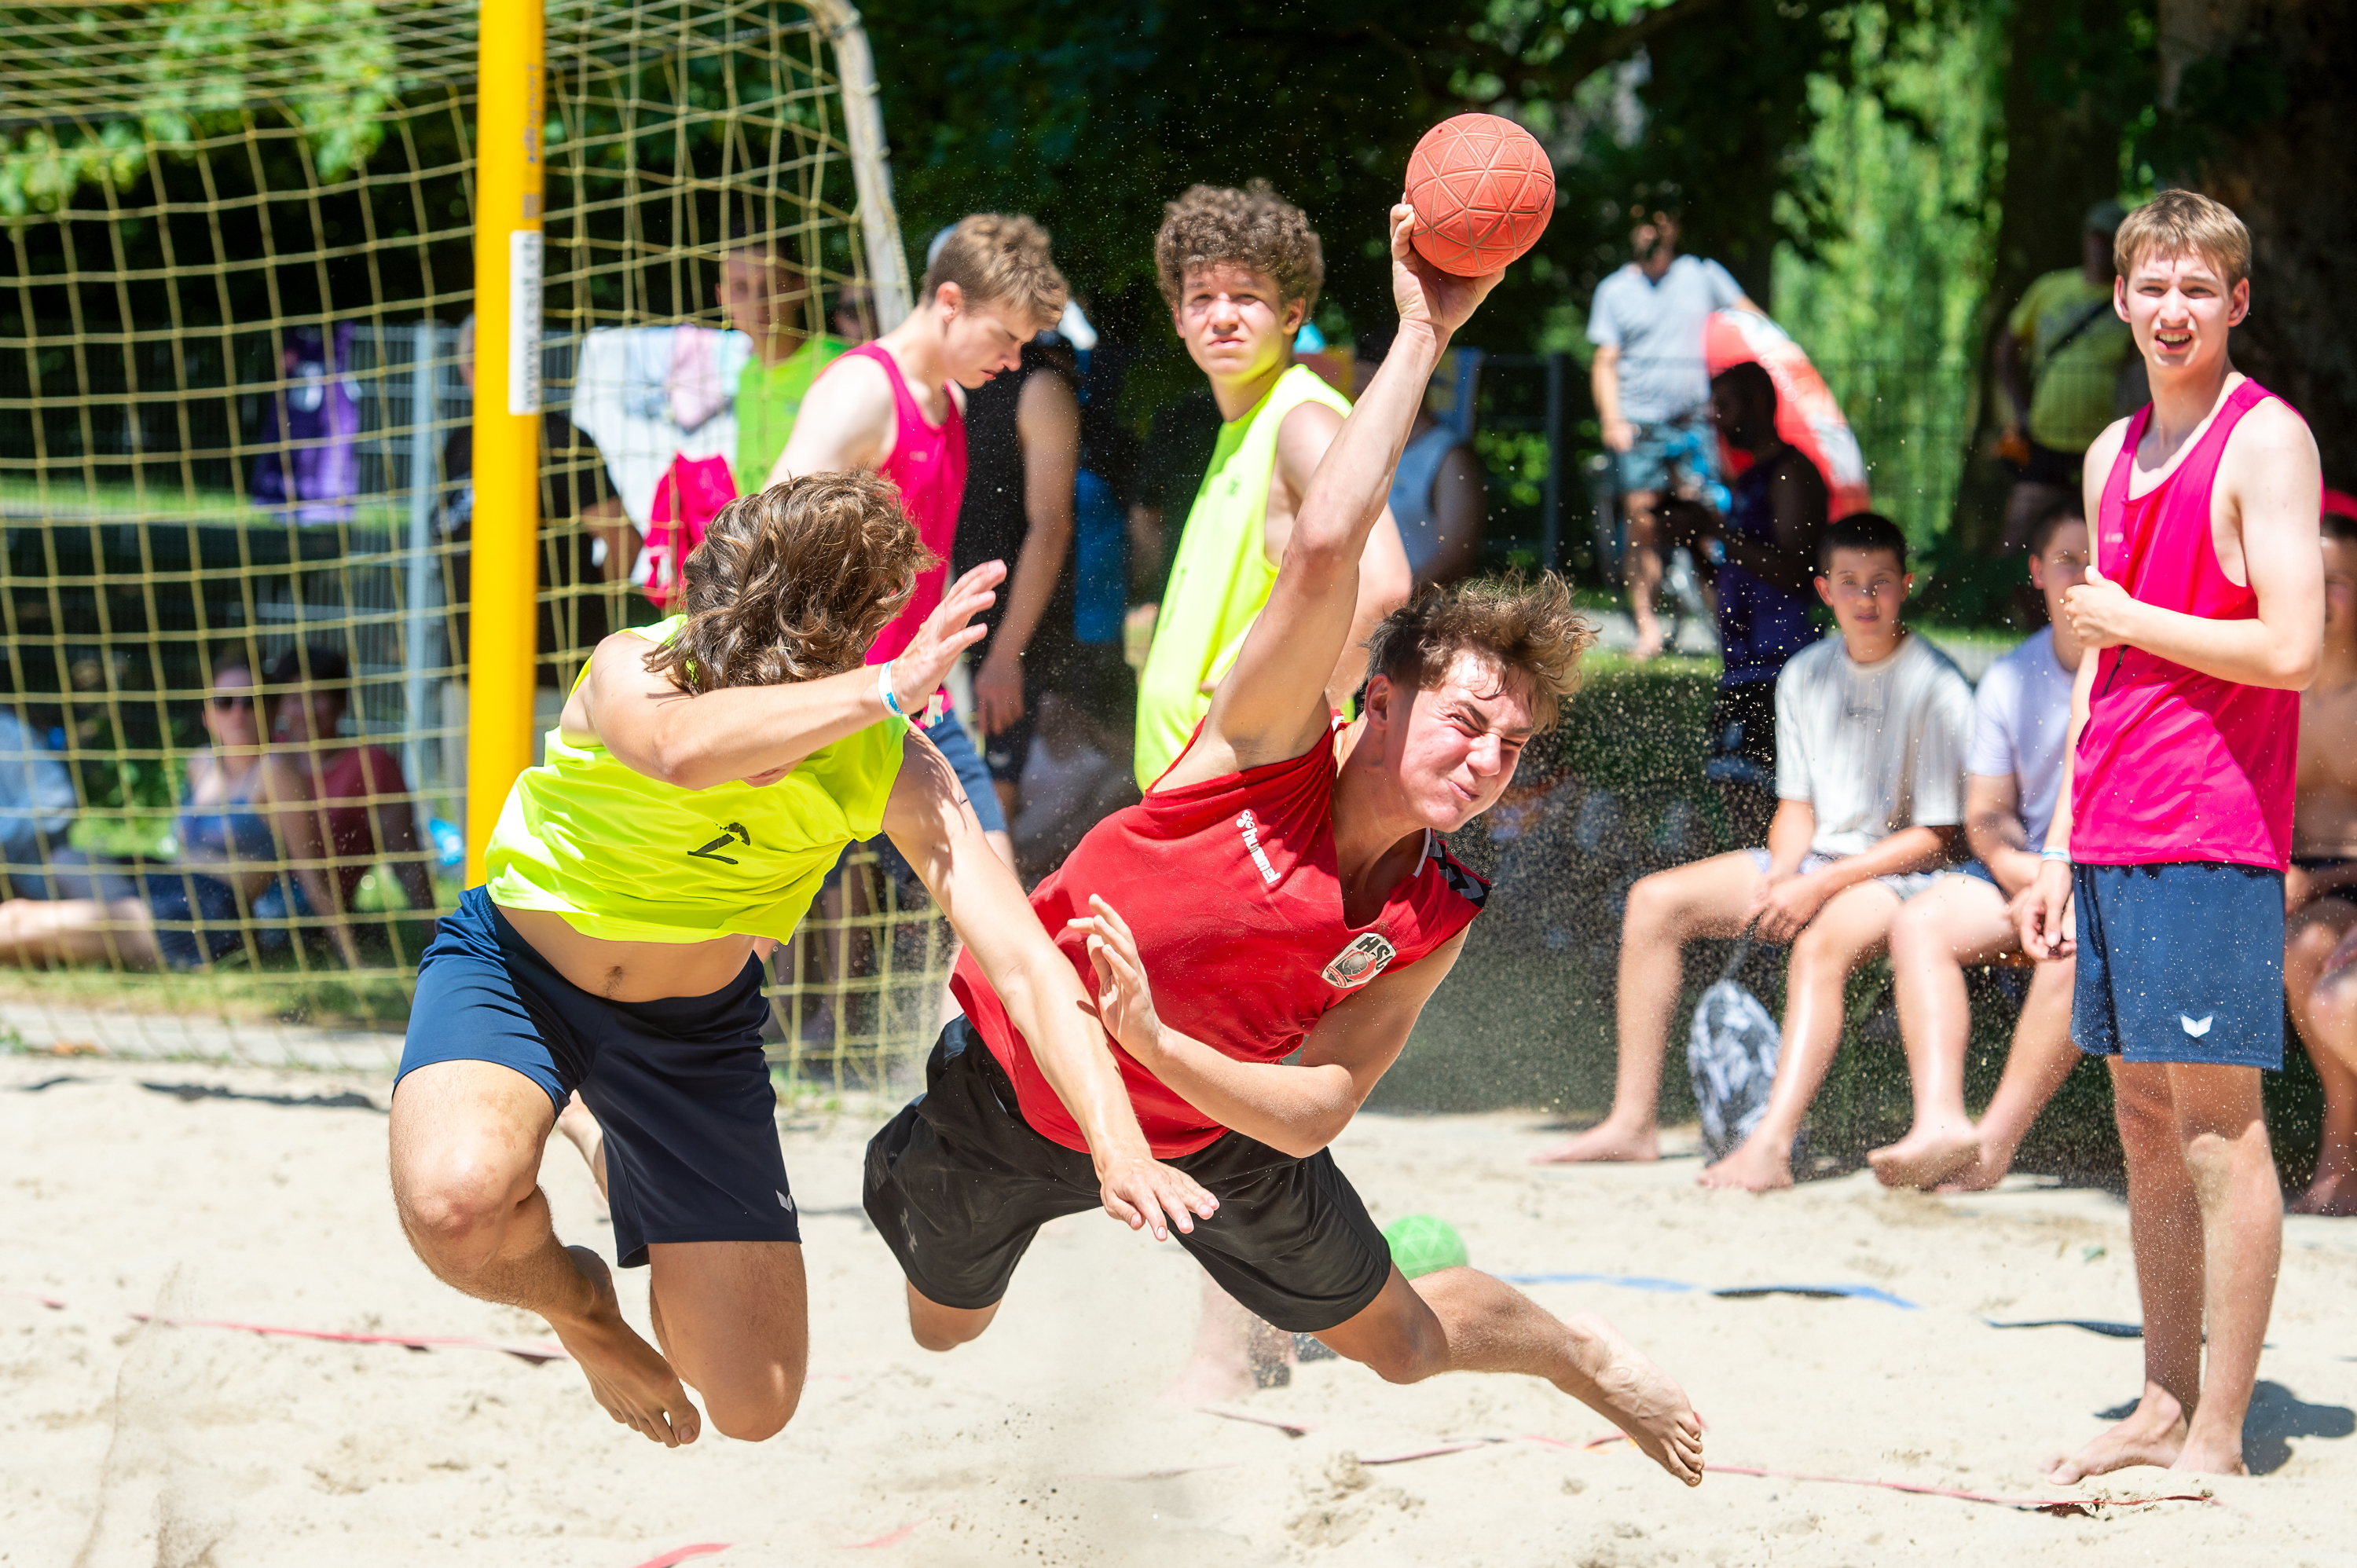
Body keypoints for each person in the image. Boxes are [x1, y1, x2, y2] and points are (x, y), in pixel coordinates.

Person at [863, 204, 1706, 1487]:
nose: (1485, 759)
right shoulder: (1264, 743)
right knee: (942, 1325)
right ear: (1373, 697)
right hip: (1020, 1086)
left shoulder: (1435, 905)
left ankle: (1576, 1354)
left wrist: (1153, 1046)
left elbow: (1316, 1112)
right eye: (1466, 722)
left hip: (1211, 1129)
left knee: (1406, 1345)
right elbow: (1325, 547)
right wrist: (1423, 327)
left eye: (1511, 748)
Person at [389, 475, 1213, 1449]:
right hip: (517, 976)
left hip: (690, 1035)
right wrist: (888, 685)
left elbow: (1028, 963)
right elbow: (681, 750)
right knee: (457, 1203)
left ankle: (609, 1137)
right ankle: (586, 1310)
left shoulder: (886, 757)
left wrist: (1116, 1141)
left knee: (753, 1404)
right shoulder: (639, 666)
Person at [2018, 191, 2322, 1481]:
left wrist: (2133, 617)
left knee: (2217, 1126)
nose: (2173, 309)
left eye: (2200, 287)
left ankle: (2217, 1436)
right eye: (2154, 286)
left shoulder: (2270, 444)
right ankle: (2158, 1400)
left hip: (2213, 829)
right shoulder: (2109, 450)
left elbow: (2295, 649)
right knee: (2143, 1119)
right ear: (2124, 295)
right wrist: (2056, 840)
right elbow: (2099, 668)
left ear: (2237, 303)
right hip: (2115, 828)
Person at [1538, 513, 1973, 1190]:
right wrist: (1789, 874)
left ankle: (1771, 1144)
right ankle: (1633, 1122)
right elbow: (1796, 807)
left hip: (1904, 875)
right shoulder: (1805, 673)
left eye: (1880, 583)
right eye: (1849, 582)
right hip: (1818, 863)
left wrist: (1817, 887)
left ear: (1906, 586)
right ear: (1824, 590)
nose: (1865, 599)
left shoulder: (1938, 686)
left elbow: (1939, 839)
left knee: (1820, 942)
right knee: (1654, 902)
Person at [772, 212, 1072, 863]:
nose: (1014, 360)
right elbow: (762, 546)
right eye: (1005, 338)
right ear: (950, 302)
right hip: (821, 706)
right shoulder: (862, 392)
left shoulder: (948, 402)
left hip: (909, 705)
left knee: (993, 886)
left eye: (1025, 344)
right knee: (748, 942)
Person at [1131, 181, 1413, 789]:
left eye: (1247, 295)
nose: (1223, 315)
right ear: (1178, 318)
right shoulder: (1244, 424)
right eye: (1202, 296)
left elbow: (1386, 583)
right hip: (1201, 796)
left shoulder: (1302, 418)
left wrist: (1293, 720)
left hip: (1246, 796)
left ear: (1292, 314)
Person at [1868, 500, 2089, 1191]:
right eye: (2066, 561)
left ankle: (1992, 1147)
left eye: (2096, 562)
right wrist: (2028, 876)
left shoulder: (2144, 680)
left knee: (2072, 947)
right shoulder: (2009, 679)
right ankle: (1939, 1123)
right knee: (1919, 921)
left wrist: (2059, 885)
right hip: (2026, 874)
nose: (2081, 577)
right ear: (2036, 573)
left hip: (2104, 882)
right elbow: (1987, 817)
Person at [0, 658, 357, 970]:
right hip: (166, 883)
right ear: (207, 715)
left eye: (251, 702)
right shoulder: (201, 764)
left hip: (207, 913)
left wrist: (351, 956)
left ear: (270, 711)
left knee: (18, 919)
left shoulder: (276, 771)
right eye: (225, 702)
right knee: (63, 859)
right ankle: (84, 929)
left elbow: (313, 873)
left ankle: (81, 929)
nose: (238, 713)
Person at [1664, 360, 1830, 843]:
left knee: (1772, 800)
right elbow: (1737, 578)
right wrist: (1696, 542)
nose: (1715, 417)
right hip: (1742, 665)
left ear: (1758, 404)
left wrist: (1716, 530)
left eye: (1725, 405)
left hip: (1784, 666)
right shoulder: (1752, 480)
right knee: (1734, 788)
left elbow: (1793, 569)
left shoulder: (1790, 473)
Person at [1587, 204, 1759, 659]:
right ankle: (1647, 630)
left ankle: (1726, 632)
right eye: (1640, 220)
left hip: (1696, 425)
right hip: (1640, 428)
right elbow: (1605, 361)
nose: (1648, 230)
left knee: (1709, 524)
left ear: (1673, 227)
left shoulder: (1701, 276)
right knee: (1643, 524)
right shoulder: (1614, 290)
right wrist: (1612, 420)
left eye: (1657, 220)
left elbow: (1751, 322)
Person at [955, 335, 1082, 825]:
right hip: (957, 631)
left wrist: (1007, 656)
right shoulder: (946, 390)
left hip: (1020, 639)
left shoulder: (1040, 388)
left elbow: (1052, 527)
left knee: (993, 806)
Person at [2282, 507, 2357, 1215]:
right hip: (2287, 879)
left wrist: (2319, 880)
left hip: (2343, 883)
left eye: (2338, 581)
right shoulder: (2273, 687)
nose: (2322, 594)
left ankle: (2340, 1149)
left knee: (2307, 952)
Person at [1996, 200, 2137, 553]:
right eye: (2095, 236)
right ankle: (2011, 606)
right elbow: (2005, 352)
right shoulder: (2049, 289)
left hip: (2104, 444)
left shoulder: (2137, 303)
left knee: (2099, 542)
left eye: (2111, 238)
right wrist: (2019, 410)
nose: (2101, 245)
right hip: (2044, 438)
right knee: (2018, 537)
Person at [263, 645, 437, 921]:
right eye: (295, 698)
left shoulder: (371, 766)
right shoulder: (267, 756)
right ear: (280, 705)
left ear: (341, 702)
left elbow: (406, 857)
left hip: (307, 905)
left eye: (318, 697)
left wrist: (435, 932)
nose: (307, 710)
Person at [1354, 327, 1486, 590]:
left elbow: (1455, 557)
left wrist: (1391, 605)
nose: (1356, 392)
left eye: (1362, 381)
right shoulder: (1361, 451)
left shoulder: (1448, 456)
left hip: (1419, 620)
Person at [727, 233, 849, 497]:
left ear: (798, 287)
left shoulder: (842, 365)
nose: (757, 301)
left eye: (771, 285)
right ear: (721, 297)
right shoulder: (745, 375)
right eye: (740, 288)